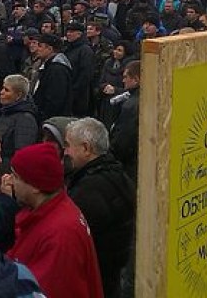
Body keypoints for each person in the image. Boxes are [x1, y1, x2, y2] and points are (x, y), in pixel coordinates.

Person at [4, 142, 103, 298]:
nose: (10, 181)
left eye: (16, 176)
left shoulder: (60, 233)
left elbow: (46, 290)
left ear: (35, 185)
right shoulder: (47, 212)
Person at [64, 118, 135, 298]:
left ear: (86, 148)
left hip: (100, 277)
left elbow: (73, 237)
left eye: (68, 145)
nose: (66, 152)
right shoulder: (118, 174)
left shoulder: (89, 190)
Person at [0, 74, 39, 173]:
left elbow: (22, 154)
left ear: (18, 96)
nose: (1, 92)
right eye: (2, 88)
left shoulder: (25, 119)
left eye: (6, 90)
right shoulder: (7, 113)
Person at [110, 60, 141, 183]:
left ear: (136, 79)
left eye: (126, 77)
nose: (123, 81)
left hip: (129, 166)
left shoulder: (131, 106)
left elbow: (123, 141)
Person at [31, 33, 73, 120]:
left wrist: (43, 117)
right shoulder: (48, 66)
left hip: (52, 120)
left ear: (49, 49)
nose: (37, 49)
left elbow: (55, 100)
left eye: (40, 46)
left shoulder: (57, 70)